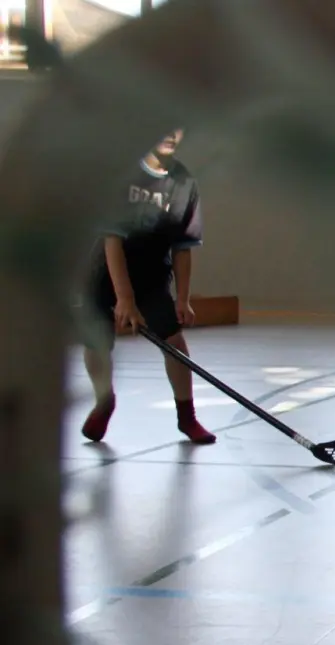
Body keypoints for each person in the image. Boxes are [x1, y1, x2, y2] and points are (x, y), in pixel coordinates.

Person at [77, 128, 214, 446]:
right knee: (96, 342)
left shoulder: (184, 182)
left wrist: (182, 298)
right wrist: (124, 299)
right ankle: (104, 400)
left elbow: (182, 247)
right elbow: (113, 240)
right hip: (105, 272)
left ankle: (187, 417)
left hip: (152, 274)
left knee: (174, 341)